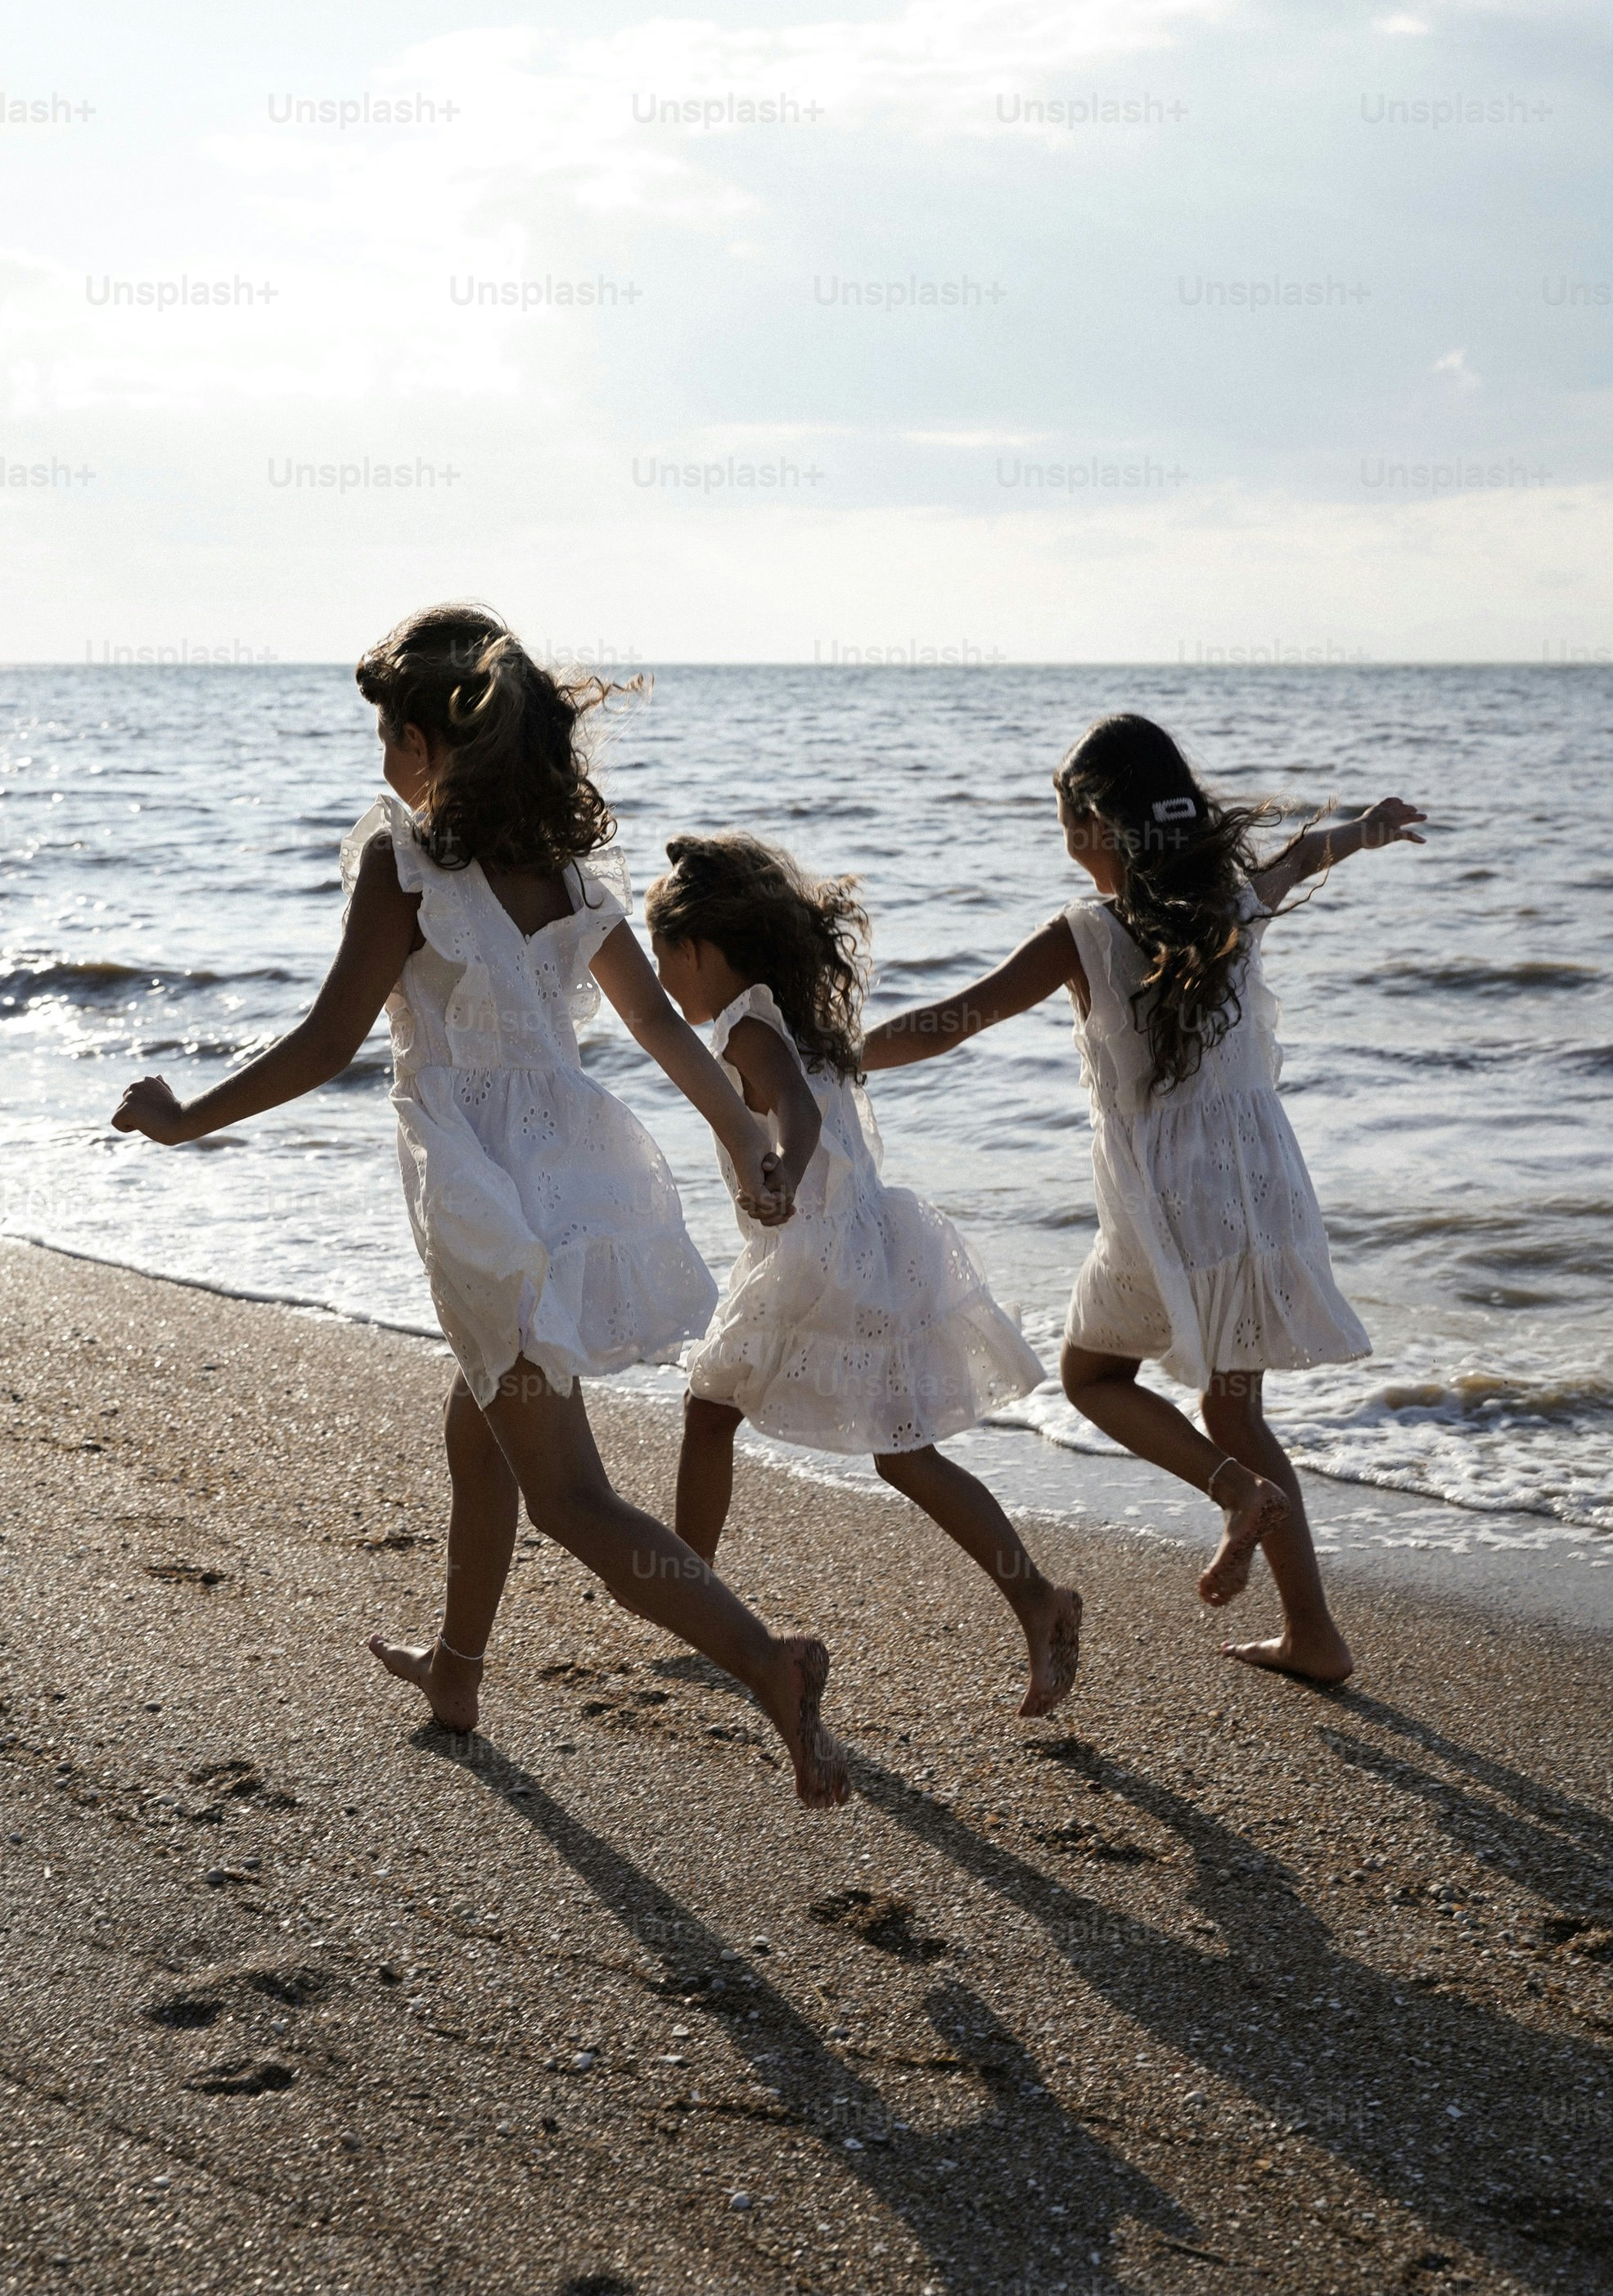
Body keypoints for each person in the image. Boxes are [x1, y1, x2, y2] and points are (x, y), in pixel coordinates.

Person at [111, 604, 848, 1807]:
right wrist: (747, 1138)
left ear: (426, 741)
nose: (380, 757)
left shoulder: (403, 861)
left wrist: (190, 1115)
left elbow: (329, 1038)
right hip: (572, 1175)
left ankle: (767, 1661)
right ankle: (456, 1671)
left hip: (480, 1198)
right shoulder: (564, 876)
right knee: (482, 1422)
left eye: (386, 733)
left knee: (570, 1495)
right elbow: (661, 1028)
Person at [862, 711, 1425, 1685]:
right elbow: (1300, 857)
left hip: (1165, 1204)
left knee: (1092, 1377)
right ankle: (1312, 1631)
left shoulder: (1083, 936)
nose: (1066, 842)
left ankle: (1233, 1490)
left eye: (1066, 822)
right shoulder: (1230, 903)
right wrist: (1366, 830)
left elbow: (955, 1019)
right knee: (1235, 1406)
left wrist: (838, 1057)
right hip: (1262, 1189)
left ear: (1100, 825)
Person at [645, 832, 1082, 1718]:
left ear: (700, 948)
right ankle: (1036, 1597)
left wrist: (782, 1176)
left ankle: (693, 1603)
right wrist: (787, 1177)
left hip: (818, 1254)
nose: (659, 979)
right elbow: (805, 1102)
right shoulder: (789, 1016)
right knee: (901, 1453)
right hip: (867, 1245)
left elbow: (798, 1111)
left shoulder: (747, 1026)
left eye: (663, 956)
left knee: (710, 1411)